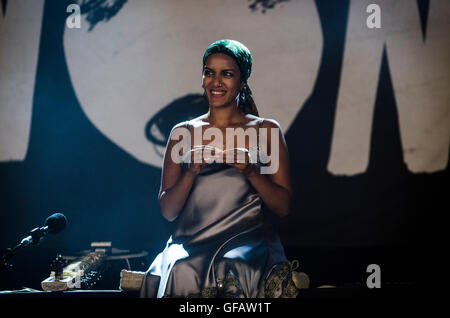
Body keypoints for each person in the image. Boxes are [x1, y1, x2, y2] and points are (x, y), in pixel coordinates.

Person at [140, 39, 298, 298]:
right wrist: (190, 172)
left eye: (227, 74)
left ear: (242, 81)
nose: (216, 82)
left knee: (234, 267)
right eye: (209, 72)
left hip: (248, 240)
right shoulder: (183, 132)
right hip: (190, 242)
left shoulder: (266, 131)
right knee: (181, 268)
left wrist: (250, 172)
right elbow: (168, 211)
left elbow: (283, 207)